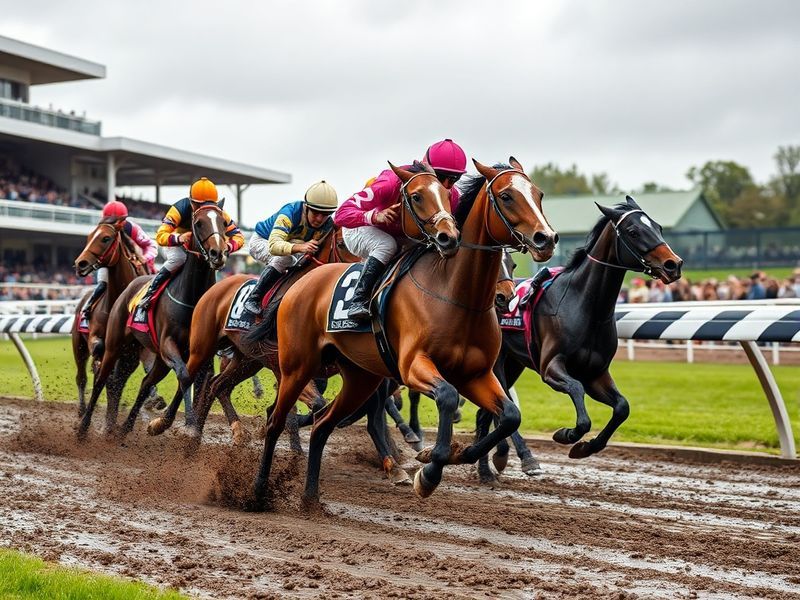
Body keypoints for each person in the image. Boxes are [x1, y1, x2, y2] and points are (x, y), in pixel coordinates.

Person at [334, 139, 466, 321]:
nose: (447, 185)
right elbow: (341, 215)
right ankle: (359, 300)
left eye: (454, 179)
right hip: (360, 227)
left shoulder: (452, 195)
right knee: (386, 245)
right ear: (426, 167)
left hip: (402, 235)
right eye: (442, 175)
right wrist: (374, 216)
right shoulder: (390, 182)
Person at [137, 177, 244, 311]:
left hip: (201, 247)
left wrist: (227, 247)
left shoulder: (218, 214)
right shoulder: (179, 208)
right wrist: (179, 238)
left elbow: (239, 237)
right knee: (179, 258)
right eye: (200, 206)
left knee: (212, 262)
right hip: (177, 245)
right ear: (192, 204)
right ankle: (150, 293)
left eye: (211, 205)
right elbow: (160, 236)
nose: (206, 209)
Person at [243, 181, 339, 314]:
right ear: (306, 207)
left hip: (290, 243)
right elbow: (274, 246)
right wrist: (300, 247)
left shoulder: (328, 224)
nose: (319, 219)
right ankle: (253, 298)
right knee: (286, 259)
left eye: (325, 214)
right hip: (262, 241)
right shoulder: (290, 212)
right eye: (316, 213)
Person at [80, 200, 158, 321]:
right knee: (102, 284)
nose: (112, 225)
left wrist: (144, 258)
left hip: (139, 262)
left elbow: (152, 245)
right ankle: (87, 307)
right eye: (108, 221)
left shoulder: (131, 228)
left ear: (123, 221)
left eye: (115, 221)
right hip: (108, 263)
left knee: (155, 286)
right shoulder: (101, 230)